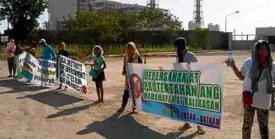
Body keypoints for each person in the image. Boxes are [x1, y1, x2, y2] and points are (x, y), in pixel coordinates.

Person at [241, 40, 274, 139]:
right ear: (255, 51)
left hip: (263, 101)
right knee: (247, 126)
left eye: (266, 50)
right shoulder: (248, 63)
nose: (263, 52)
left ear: (269, 51)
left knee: (264, 127)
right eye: (260, 50)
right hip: (249, 100)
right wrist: (233, 66)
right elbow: (242, 77)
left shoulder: (272, 66)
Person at [173, 37, 205, 135]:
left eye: (176, 47)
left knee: (194, 105)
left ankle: (200, 126)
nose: (174, 49)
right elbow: (176, 69)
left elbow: (198, 70)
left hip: (192, 85)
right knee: (184, 105)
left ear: (180, 46)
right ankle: (187, 123)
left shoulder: (191, 56)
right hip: (182, 85)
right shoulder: (178, 57)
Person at [117, 42, 143, 114]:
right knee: (126, 92)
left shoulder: (138, 57)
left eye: (132, 48)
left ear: (134, 49)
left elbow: (141, 67)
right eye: (128, 48)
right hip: (128, 78)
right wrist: (123, 70)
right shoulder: (126, 57)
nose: (130, 50)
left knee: (134, 93)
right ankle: (123, 107)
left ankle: (134, 108)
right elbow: (124, 65)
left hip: (135, 78)